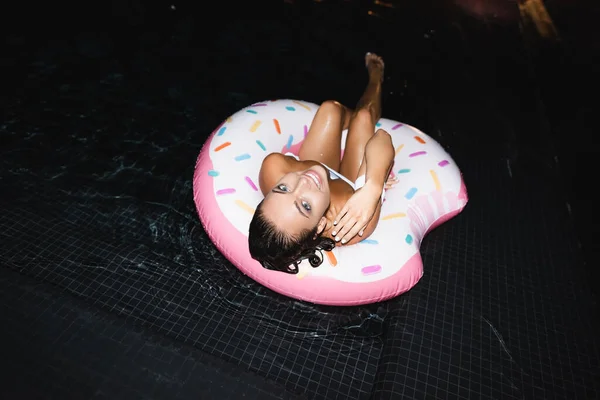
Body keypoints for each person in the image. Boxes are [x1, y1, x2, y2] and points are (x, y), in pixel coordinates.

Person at [248, 53, 397, 274]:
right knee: (364, 117)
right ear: (320, 226)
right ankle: (377, 76)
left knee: (330, 108)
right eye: (305, 206)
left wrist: (303, 195)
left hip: (321, 169)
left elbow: (302, 181)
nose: (303, 184)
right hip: (351, 184)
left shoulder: (274, 168)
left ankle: (349, 119)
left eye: (282, 188)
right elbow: (382, 138)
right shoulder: (354, 223)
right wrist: (374, 184)